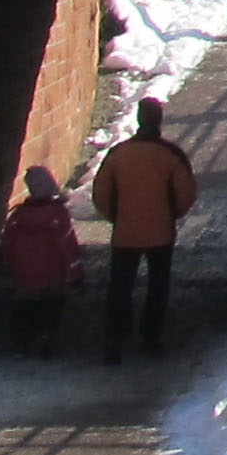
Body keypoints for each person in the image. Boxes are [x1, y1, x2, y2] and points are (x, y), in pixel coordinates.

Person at [90, 95, 199, 361]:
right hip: (161, 232)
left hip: (125, 232)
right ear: (159, 121)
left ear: (139, 120)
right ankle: (151, 337)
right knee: (157, 286)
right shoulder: (170, 155)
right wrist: (170, 214)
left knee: (120, 286)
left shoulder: (119, 154)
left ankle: (114, 339)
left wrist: (116, 217)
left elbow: (101, 192)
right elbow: (186, 192)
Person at [0, 167, 83, 357]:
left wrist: (7, 267)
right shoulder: (58, 214)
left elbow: (7, 244)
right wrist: (76, 273)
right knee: (52, 303)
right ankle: (46, 337)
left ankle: (23, 341)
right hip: (53, 272)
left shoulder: (18, 216)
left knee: (25, 304)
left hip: (24, 272)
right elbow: (68, 244)